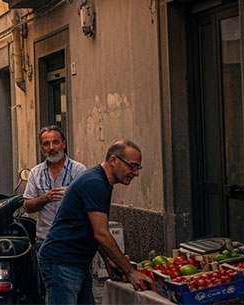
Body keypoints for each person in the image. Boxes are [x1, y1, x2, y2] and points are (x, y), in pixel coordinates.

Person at [38, 140, 153, 304]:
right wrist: (130, 272)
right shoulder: (95, 183)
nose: (136, 173)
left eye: (137, 168)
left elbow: (94, 229)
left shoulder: (100, 182)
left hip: (75, 262)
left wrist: (108, 260)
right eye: (132, 166)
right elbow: (101, 233)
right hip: (62, 263)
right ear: (113, 160)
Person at [22, 126, 87, 244]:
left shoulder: (78, 170)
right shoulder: (35, 173)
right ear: (42, 148)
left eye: (55, 142)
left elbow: (87, 204)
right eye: (46, 144)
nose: (51, 148)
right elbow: (27, 206)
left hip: (73, 240)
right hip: (45, 240)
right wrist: (45, 198)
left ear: (64, 144)